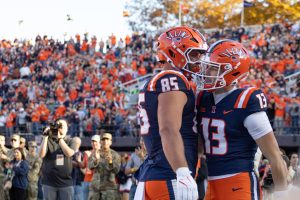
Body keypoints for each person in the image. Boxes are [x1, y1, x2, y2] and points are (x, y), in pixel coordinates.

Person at [195, 39, 288, 200]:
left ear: (231, 72)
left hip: (239, 185)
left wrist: (283, 195)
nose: (206, 72)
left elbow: (274, 156)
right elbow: (199, 148)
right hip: (211, 186)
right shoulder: (203, 98)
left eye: (212, 68)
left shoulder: (246, 100)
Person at [134, 26, 208, 200]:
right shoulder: (172, 78)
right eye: (194, 54)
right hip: (169, 175)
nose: (199, 59)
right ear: (175, 53)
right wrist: (182, 171)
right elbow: (167, 129)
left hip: (158, 174)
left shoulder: (164, 80)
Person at [39, 119, 77, 200]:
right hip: (49, 183)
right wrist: (45, 137)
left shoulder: (71, 140)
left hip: (65, 183)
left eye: (61, 126)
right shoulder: (48, 140)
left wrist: (60, 139)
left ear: (67, 129)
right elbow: (41, 155)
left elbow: (69, 153)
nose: (59, 128)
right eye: (58, 126)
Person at [88, 133, 121, 200]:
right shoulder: (95, 153)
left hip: (109, 188)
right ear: (100, 141)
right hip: (95, 188)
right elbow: (90, 166)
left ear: (111, 142)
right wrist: (96, 160)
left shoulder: (115, 155)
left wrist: (110, 162)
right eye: (103, 140)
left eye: (107, 140)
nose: (105, 141)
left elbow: (116, 170)